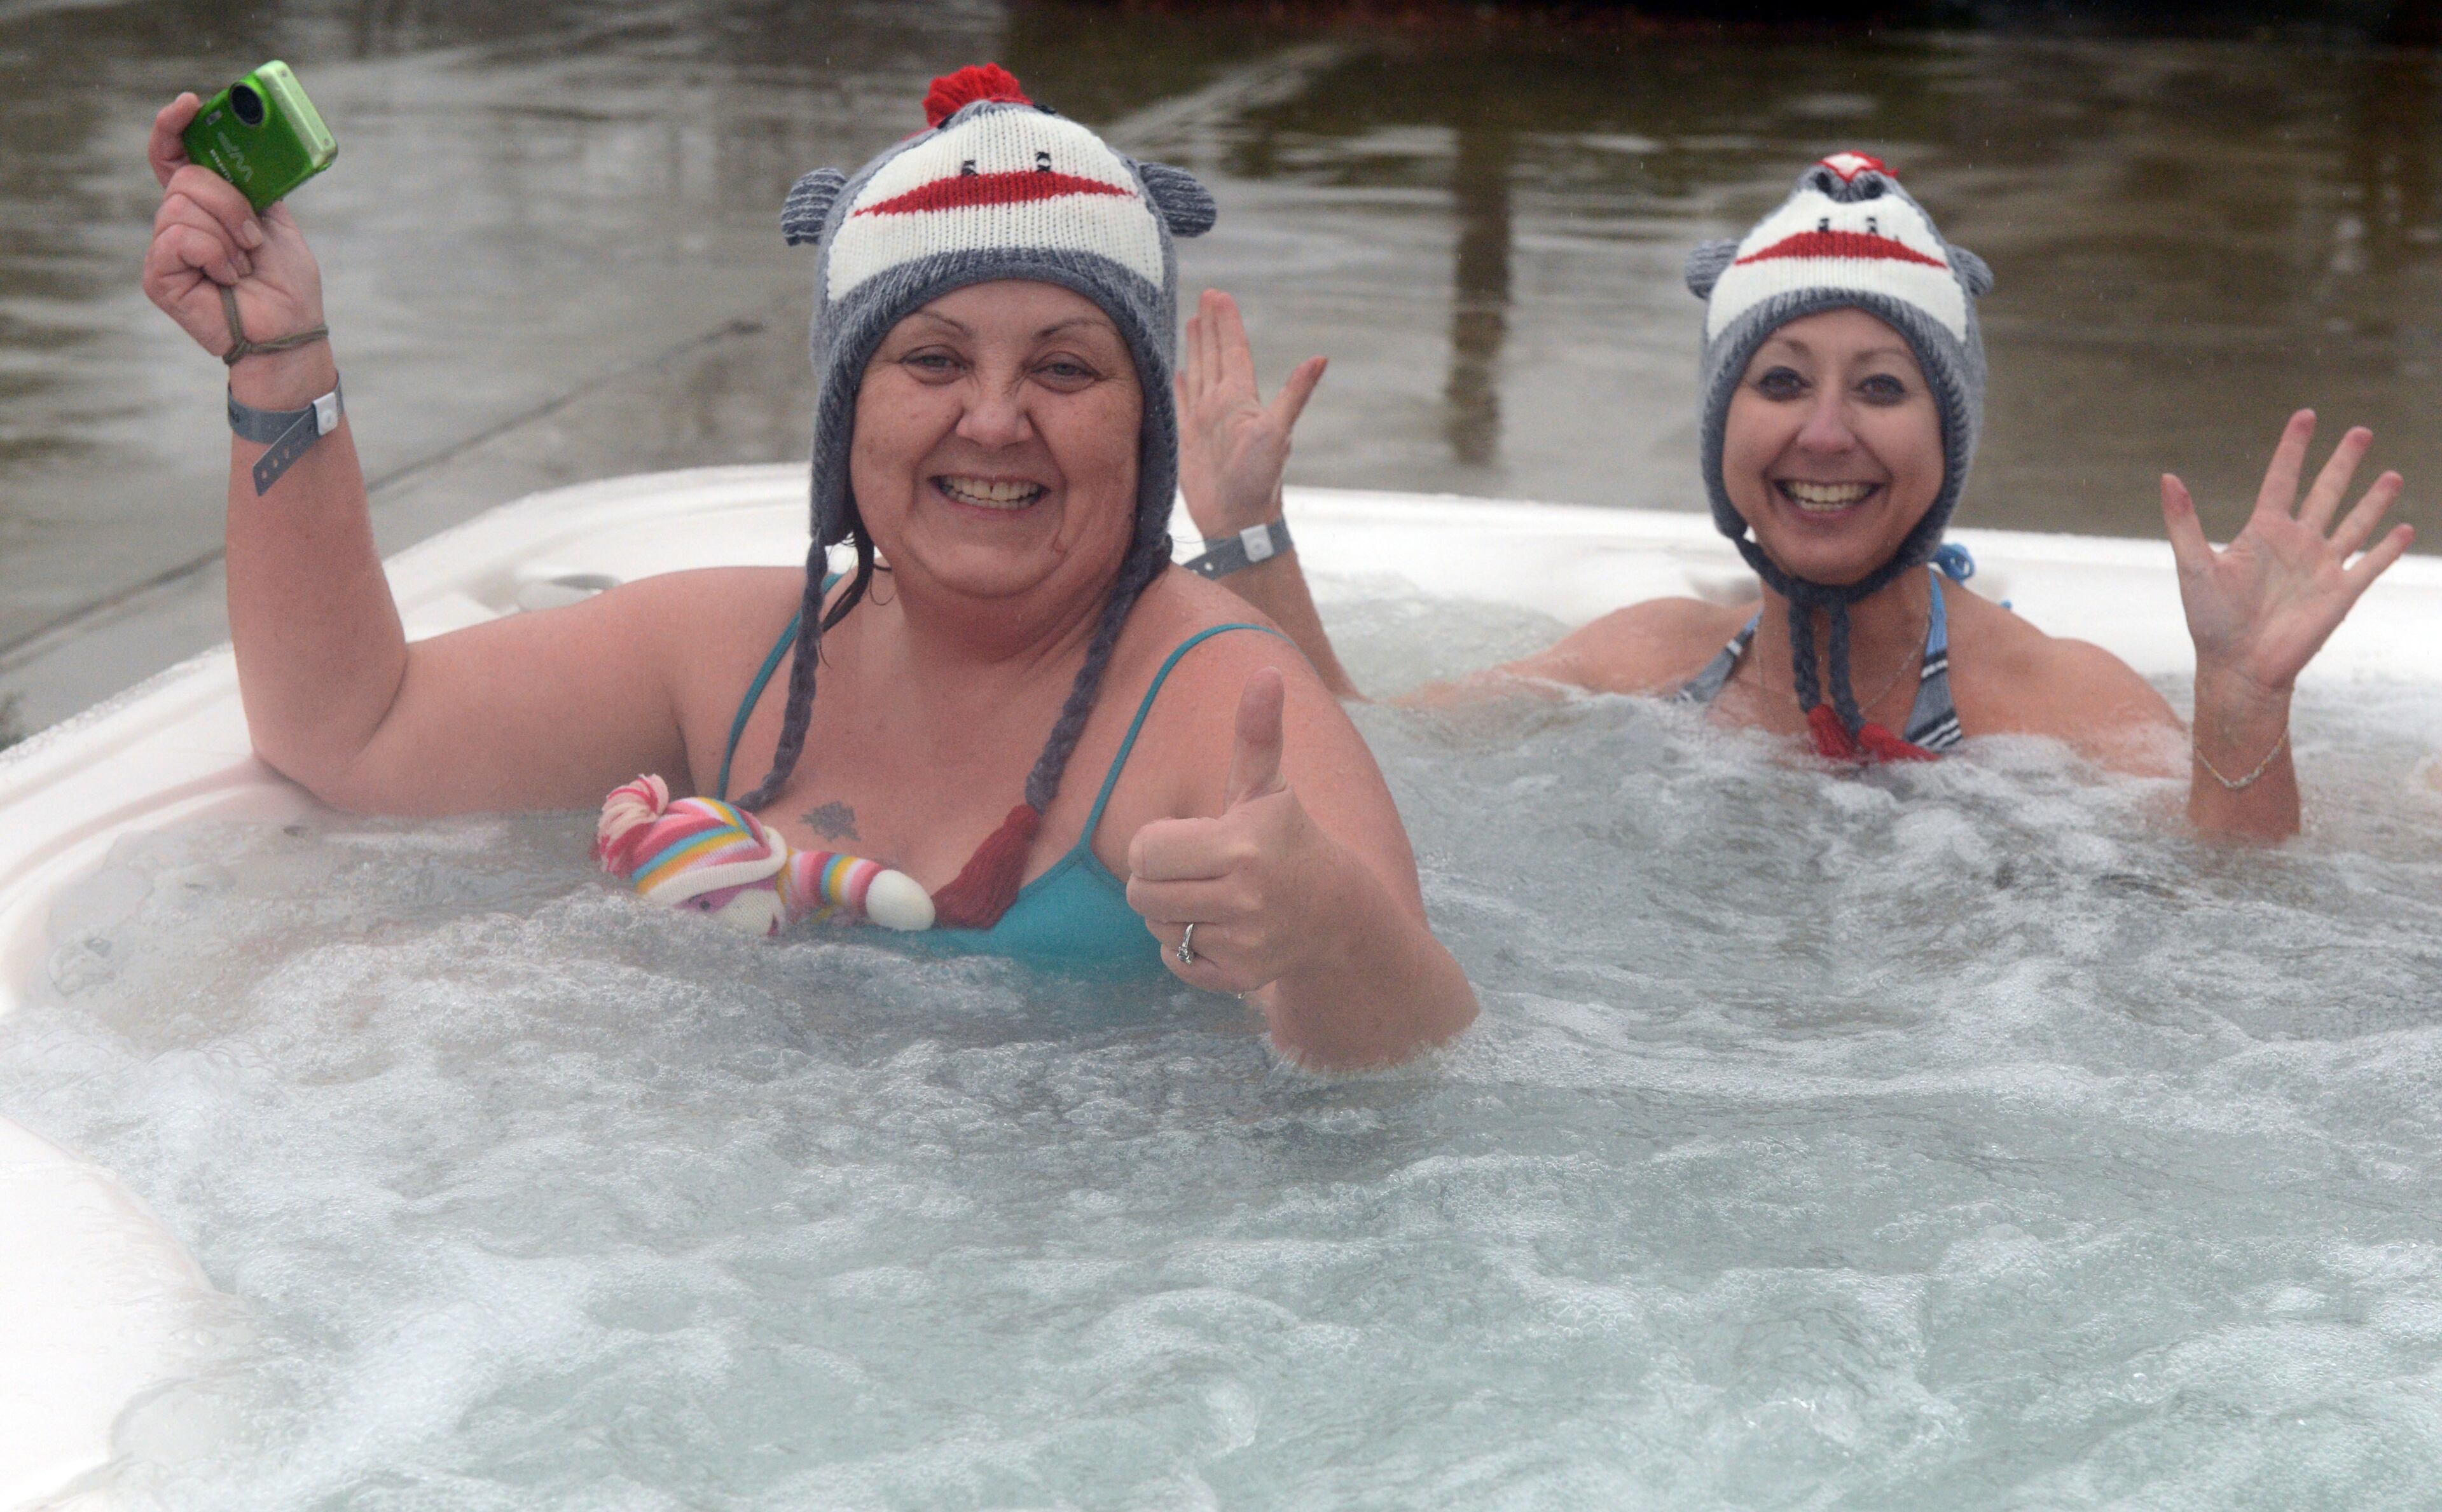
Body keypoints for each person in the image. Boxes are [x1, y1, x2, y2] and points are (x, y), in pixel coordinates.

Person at [139, 64, 1476, 1069]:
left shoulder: (1214, 701)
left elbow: (1420, 1041)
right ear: (849, 412)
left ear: (1144, 418)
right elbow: (348, 730)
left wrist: (1322, 932)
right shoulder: (736, 655)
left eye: (1066, 368)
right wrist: (282, 363)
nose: (996, 418)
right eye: (933, 359)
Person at [1175, 153, 2415, 841]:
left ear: (1949, 438)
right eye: (1778, 382)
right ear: (1725, 432)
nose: (1825, 432)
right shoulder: (1652, 662)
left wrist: (2243, 710)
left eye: (1881, 385)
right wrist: (1243, 532)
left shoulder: (2058, 700)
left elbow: (2234, 925)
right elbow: (1368, 742)